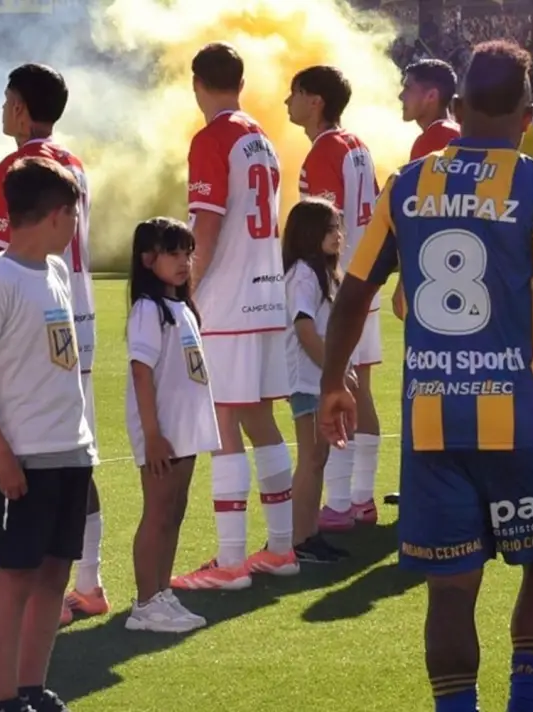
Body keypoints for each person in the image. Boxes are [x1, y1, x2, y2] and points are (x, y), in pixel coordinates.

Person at [318, 40, 533, 712]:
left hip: (434, 424)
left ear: (456, 108)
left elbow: (352, 293)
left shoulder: (406, 183)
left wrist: (332, 383)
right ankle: (524, 705)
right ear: (528, 116)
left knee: (450, 590)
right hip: (528, 422)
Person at [0, 156, 94, 712]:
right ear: (59, 215)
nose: (76, 227)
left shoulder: (57, 273)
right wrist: (0, 455)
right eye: (75, 215)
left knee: (55, 572)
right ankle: (2, 699)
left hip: (69, 449)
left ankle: (33, 687)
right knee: (14, 577)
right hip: (22, 457)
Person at [0, 63, 107, 626]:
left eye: (8, 101)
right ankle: (89, 581)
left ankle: (36, 592)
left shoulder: (16, 169)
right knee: (75, 450)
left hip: (34, 321)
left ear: (23, 110)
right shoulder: (75, 163)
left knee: (30, 451)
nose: (4, 110)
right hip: (78, 315)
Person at [172, 42, 298, 591]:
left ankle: (229, 562)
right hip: (269, 295)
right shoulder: (262, 138)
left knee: (224, 421)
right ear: (240, 83)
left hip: (227, 301)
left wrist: (186, 287)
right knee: (259, 417)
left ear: (197, 83)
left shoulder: (213, 137)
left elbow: (206, 225)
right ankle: (280, 547)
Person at [286, 65, 383, 532]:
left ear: (314, 99)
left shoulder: (324, 151)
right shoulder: (359, 146)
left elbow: (322, 225)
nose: (288, 102)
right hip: (367, 279)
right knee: (360, 386)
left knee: (341, 385)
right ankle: (360, 497)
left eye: (294, 93)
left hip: (340, 290)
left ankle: (341, 502)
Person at [123, 217, 218, 633]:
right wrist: (152, 434)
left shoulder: (182, 307)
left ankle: (162, 592)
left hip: (185, 428)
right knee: (158, 512)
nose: (184, 262)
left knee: (175, 511)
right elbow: (142, 373)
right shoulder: (149, 310)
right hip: (163, 430)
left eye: (187, 254)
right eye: (173, 253)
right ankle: (145, 603)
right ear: (148, 259)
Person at [282, 198, 352, 563]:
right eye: (329, 229)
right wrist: (333, 371)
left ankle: (308, 533)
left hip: (318, 378)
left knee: (318, 456)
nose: (338, 235)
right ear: (309, 233)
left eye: (339, 227)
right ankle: (297, 538)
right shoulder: (303, 274)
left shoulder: (323, 273)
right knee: (311, 457)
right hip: (308, 380)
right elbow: (304, 326)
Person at [393, 58, 462, 324]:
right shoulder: (453, 132)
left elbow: (426, 212)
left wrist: (405, 276)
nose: (401, 94)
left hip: (440, 268)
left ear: (431, 96)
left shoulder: (434, 139)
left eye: (408, 87)